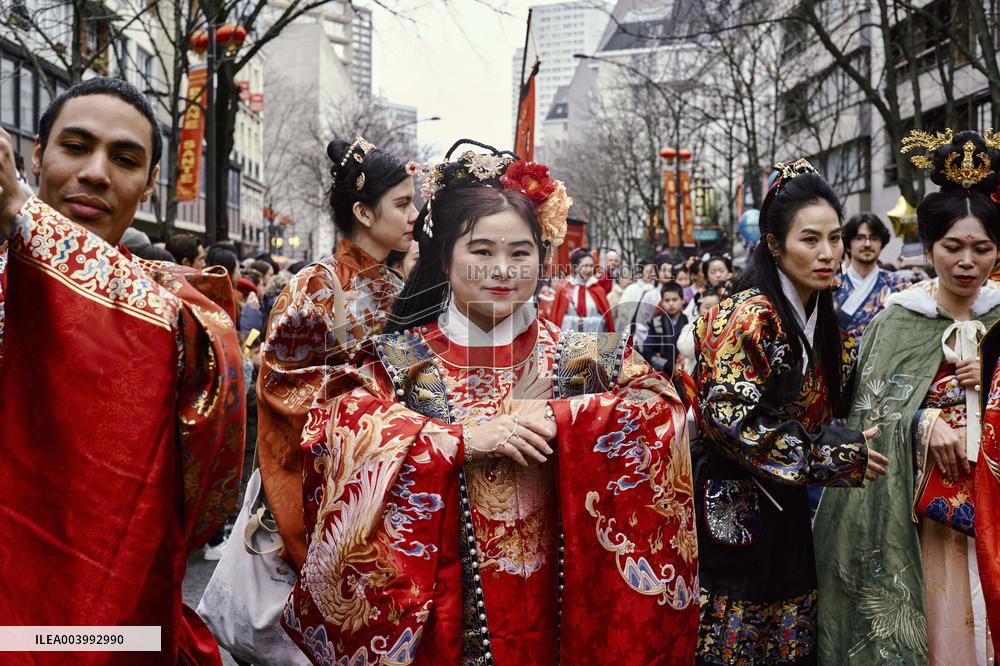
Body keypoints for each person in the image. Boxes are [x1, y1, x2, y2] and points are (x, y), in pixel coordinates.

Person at [282, 141, 699, 664]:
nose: (501, 270)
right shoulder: (398, 362)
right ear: (444, 255)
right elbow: (335, 437)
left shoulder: (586, 360)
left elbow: (663, 410)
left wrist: (565, 419)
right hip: (445, 621)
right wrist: (456, 442)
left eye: (520, 253)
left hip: (562, 616)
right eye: (481, 252)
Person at [0, 77, 243, 665]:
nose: (96, 173)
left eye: (124, 158)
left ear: (151, 183)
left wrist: (23, 215)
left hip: (106, 627)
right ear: (37, 155)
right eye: (76, 147)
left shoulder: (185, 315)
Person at [691, 160, 888, 665]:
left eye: (835, 238)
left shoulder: (824, 316)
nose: (828, 254)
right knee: (737, 633)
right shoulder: (747, 315)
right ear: (775, 246)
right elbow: (731, 423)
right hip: (735, 500)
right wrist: (833, 457)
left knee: (791, 633)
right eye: (809, 240)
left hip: (789, 501)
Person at [816, 129, 1000, 664]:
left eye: (983, 248)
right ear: (928, 247)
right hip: (923, 524)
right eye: (953, 246)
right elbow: (869, 417)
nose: (967, 261)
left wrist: (990, 389)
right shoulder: (897, 320)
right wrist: (920, 425)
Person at [258, 135, 417, 569]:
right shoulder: (316, 285)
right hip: (330, 484)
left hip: (391, 475)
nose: (414, 217)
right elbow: (283, 387)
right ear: (364, 213)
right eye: (402, 205)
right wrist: (375, 405)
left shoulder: (400, 288)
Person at [833, 212, 903, 347]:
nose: (867, 243)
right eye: (860, 238)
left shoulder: (896, 284)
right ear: (847, 245)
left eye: (874, 238)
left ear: (881, 244)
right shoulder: (832, 285)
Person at [549, 247, 614, 332]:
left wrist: (587, 322)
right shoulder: (564, 290)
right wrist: (575, 322)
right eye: (585, 266)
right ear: (575, 267)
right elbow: (557, 319)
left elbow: (606, 321)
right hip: (569, 341)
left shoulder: (598, 290)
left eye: (591, 266)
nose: (589, 270)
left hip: (594, 341)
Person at [614, 259, 660, 343]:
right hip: (630, 331)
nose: (651, 274)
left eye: (653, 271)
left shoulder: (657, 291)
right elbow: (622, 310)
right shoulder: (632, 288)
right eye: (647, 271)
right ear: (641, 273)